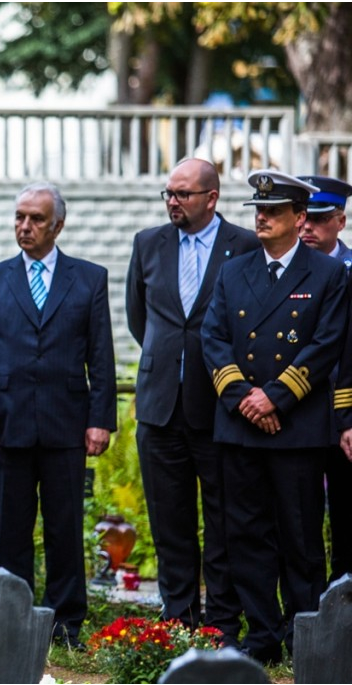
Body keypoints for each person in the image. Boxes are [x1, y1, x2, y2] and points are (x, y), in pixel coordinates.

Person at [202, 170, 347, 664]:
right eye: (258, 211)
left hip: (297, 429)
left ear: (299, 217)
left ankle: (305, 638)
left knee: (301, 540)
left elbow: (327, 344)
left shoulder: (328, 275)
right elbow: (213, 338)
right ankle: (261, 635)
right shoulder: (233, 270)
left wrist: (276, 397)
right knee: (246, 537)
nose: (261, 218)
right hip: (242, 428)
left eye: (273, 211)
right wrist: (246, 398)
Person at [0, 182, 116, 649]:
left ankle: (66, 625)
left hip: (67, 423)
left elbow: (101, 354)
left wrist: (100, 419)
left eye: (35, 219)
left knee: (65, 528)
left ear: (58, 225)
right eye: (19, 217)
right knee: (10, 530)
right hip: (6, 426)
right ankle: (14, 621)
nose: (24, 226)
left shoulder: (89, 278)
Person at [125, 159, 257, 644]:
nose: (173, 202)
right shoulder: (148, 243)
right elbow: (142, 321)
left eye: (183, 194)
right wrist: (169, 364)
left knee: (223, 520)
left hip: (220, 405)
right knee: (170, 520)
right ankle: (178, 619)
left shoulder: (243, 244)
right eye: (168, 193)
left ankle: (222, 621)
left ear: (212, 198)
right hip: (160, 407)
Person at [299, 175, 352, 585]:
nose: (305, 228)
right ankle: (304, 612)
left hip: (344, 414)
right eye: (303, 218)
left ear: (341, 221)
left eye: (317, 220)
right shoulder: (286, 270)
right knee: (298, 517)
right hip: (296, 411)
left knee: (347, 519)